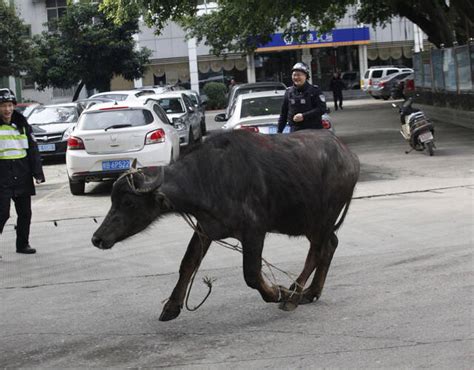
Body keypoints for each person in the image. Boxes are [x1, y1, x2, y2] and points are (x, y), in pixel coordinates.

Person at [0, 88, 45, 256]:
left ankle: (22, 244)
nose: (7, 109)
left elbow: (33, 150)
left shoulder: (23, 125)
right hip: (2, 176)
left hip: (22, 173)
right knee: (2, 213)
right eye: (3, 105)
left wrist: (37, 173)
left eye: (10, 105)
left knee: (25, 213)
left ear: (14, 106)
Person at [277, 62, 327, 133]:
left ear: (306, 76)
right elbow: (283, 115)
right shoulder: (289, 92)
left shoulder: (315, 90)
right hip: (295, 133)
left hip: (314, 131)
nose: (296, 77)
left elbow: (322, 109)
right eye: (294, 75)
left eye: (299, 75)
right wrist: (279, 132)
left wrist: (304, 116)